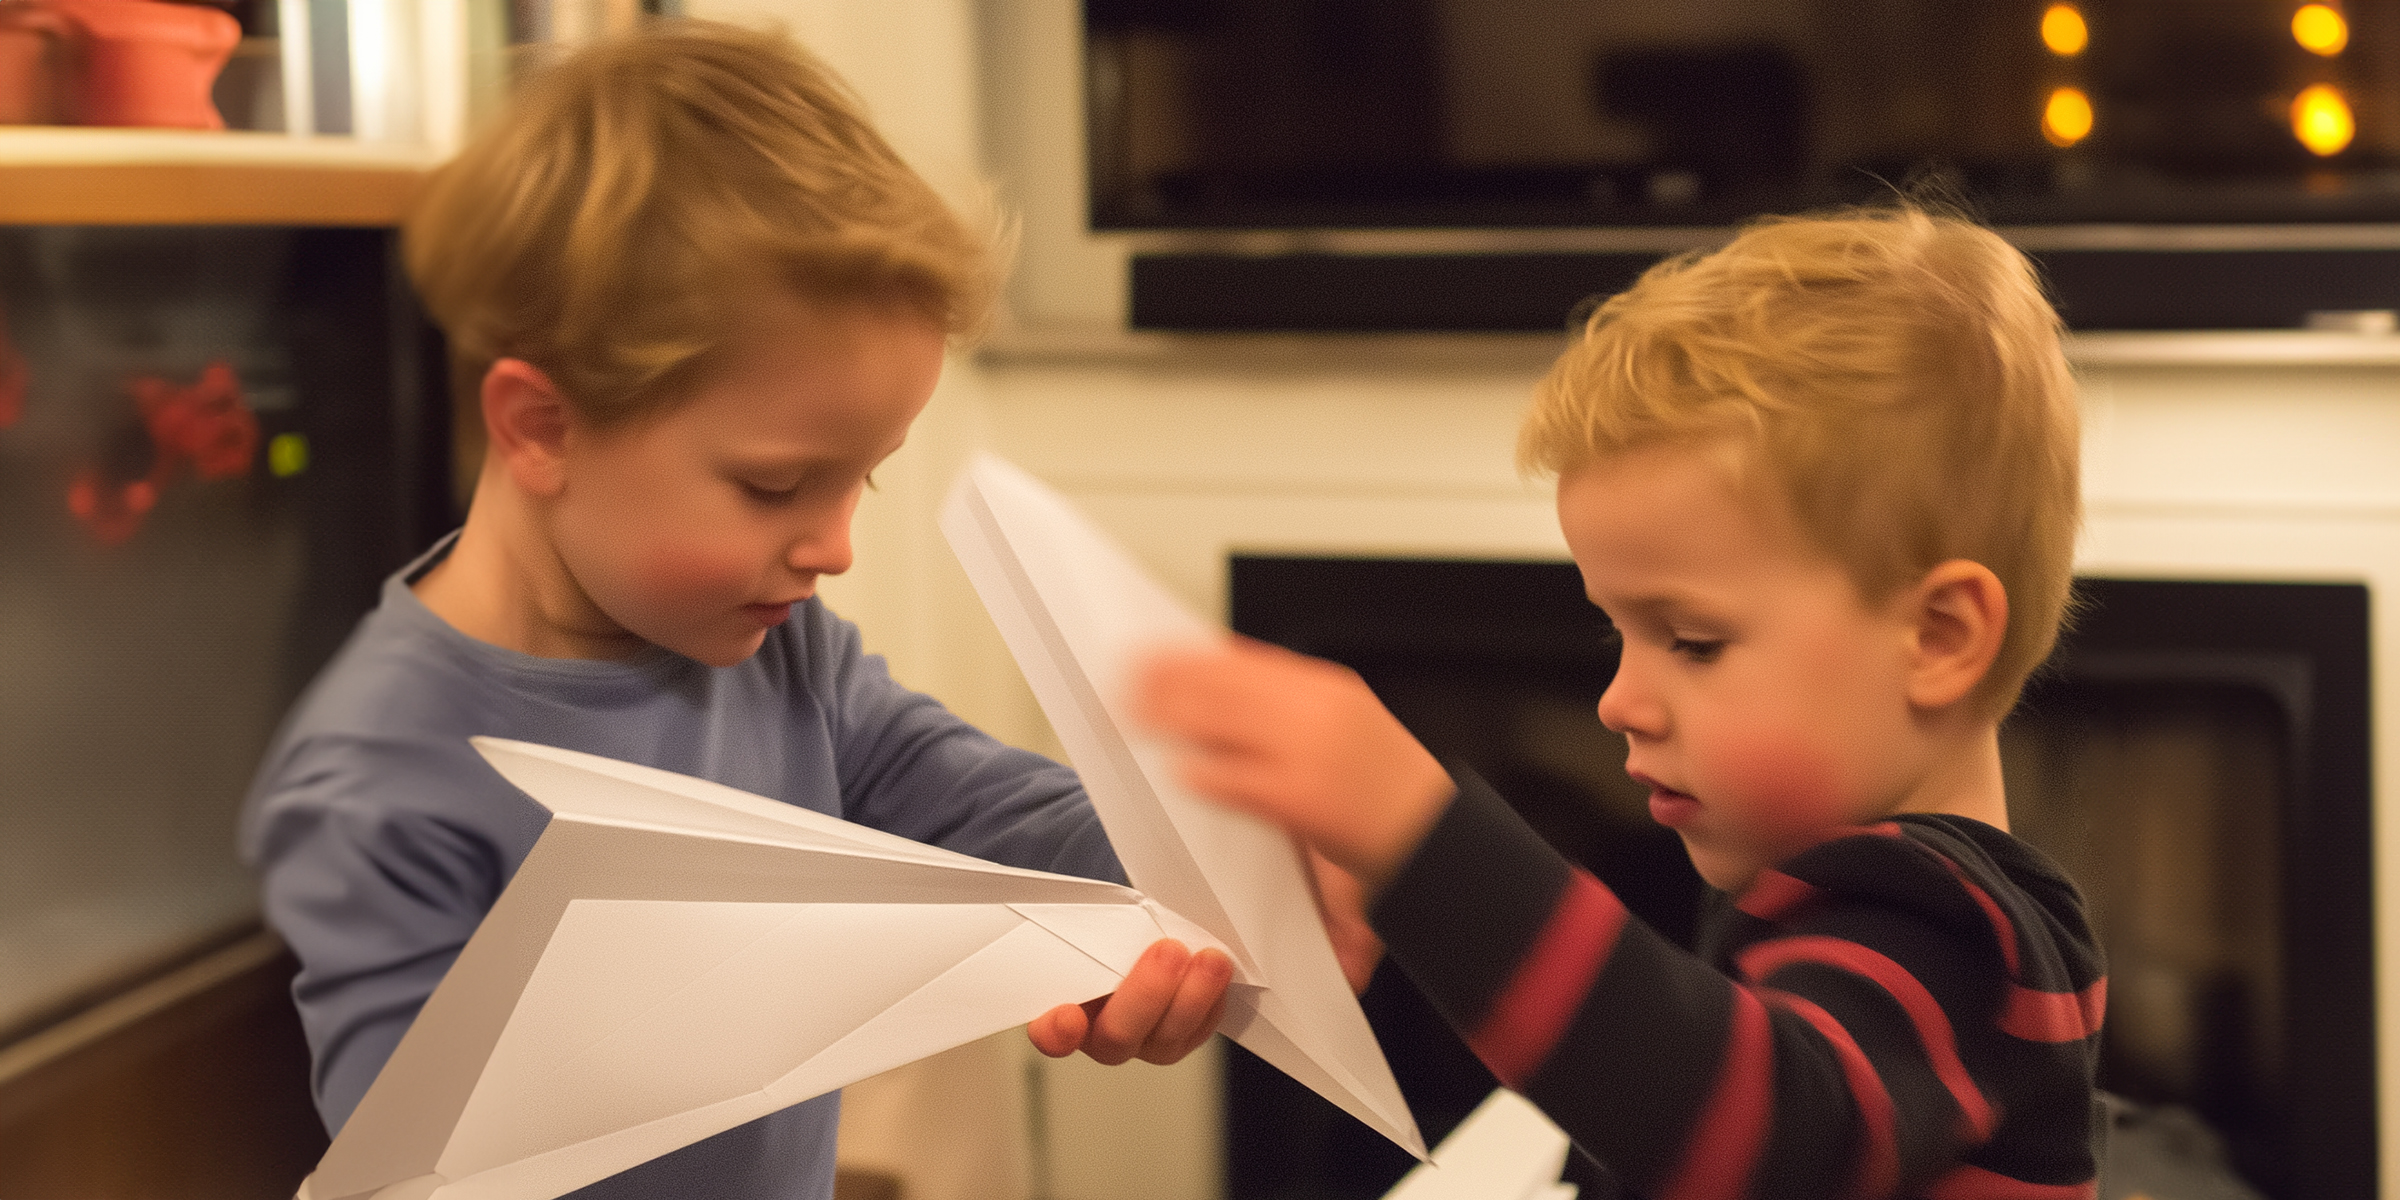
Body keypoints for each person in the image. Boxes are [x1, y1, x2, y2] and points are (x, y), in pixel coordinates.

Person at [239, 22, 1229, 1200]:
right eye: (774, 486)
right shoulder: (376, 777)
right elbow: (417, 1171)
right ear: (541, 427)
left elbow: (984, 808)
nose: (835, 547)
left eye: (862, 477)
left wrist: (1196, 880)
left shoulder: (776, 651)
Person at [1137, 207, 2107, 1199]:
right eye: (1621, 634)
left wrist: (1414, 833)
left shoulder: (1958, 936)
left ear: (1937, 637)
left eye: (1692, 640)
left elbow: (1752, 1129)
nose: (1619, 702)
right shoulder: (1840, 908)